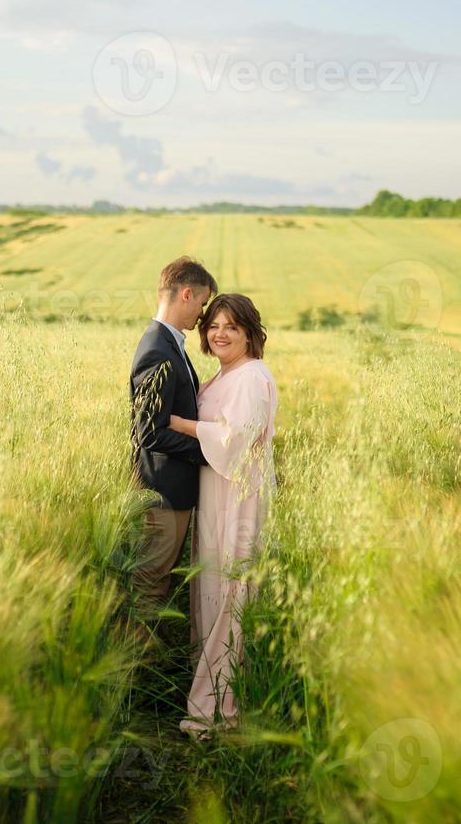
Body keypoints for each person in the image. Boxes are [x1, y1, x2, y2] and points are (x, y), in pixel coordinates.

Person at [167, 293, 278, 738]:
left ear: (251, 333)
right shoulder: (222, 375)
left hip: (239, 495)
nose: (220, 333)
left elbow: (238, 437)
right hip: (217, 491)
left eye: (232, 326)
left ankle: (220, 707)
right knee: (213, 585)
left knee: (232, 588)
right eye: (213, 325)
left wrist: (181, 425)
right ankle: (210, 687)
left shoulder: (251, 376)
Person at [128, 256, 218, 622]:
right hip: (163, 494)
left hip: (172, 492)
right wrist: (206, 451)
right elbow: (148, 432)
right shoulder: (156, 349)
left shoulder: (169, 343)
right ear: (186, 294)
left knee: (157, 584)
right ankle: (133, 671)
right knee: (150, 585)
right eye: (202, 302)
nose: (202, 313)